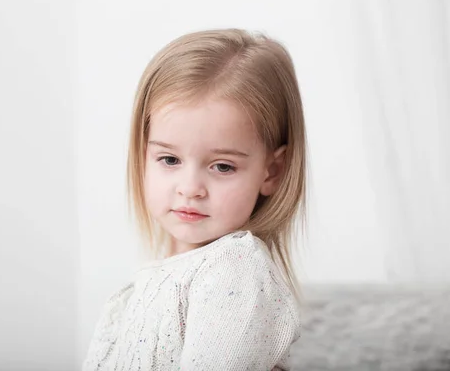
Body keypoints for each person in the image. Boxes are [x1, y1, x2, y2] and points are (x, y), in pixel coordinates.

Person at [83, 28, 307, 370]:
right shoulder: (149, 285)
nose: (190, 188)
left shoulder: (234, 273)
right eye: (170, 160)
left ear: (272, 171)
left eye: (222, 166)